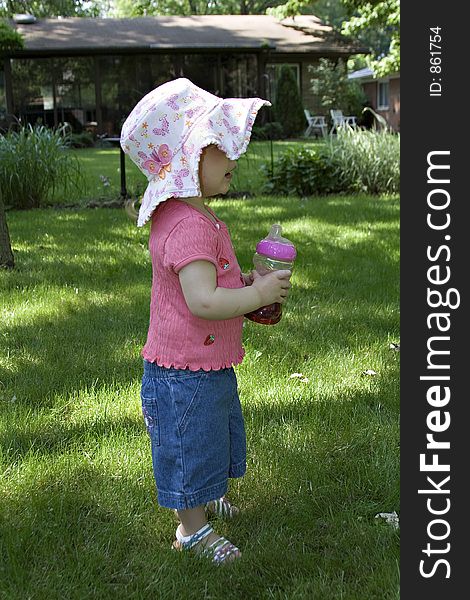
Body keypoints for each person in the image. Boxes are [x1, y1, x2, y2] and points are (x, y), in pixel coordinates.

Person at [120, 78, 292, 565]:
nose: (234, 155)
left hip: (202, 364)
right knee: (190, 441)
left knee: (212, 434)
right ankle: (191, 528)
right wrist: (255, 293)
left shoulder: (194, 216)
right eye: (222, 146)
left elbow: (216, 286)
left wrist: (252, 288)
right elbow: (201, 300)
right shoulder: (189, 225)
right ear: (189, 158)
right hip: (182, 372)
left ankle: (207, 491)